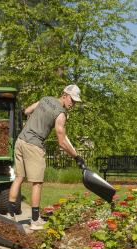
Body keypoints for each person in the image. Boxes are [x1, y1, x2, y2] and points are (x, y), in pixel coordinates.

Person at [8, 85, 84, 230]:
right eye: (72, 100)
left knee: (19, 177)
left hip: (21, 140)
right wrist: (76, 157)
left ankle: (10, 215)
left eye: (75, 102)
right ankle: (35, 221)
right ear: (65, 94)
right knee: (37, 183)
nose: (72, 104)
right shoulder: (61, 114)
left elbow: (26, 111)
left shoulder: (45, 99)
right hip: (34, 145)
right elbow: (62, 142)